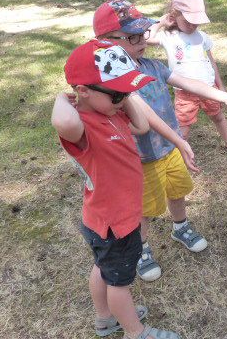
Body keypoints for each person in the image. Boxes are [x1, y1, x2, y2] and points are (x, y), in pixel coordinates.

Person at [93, 0, 227, 282]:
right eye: (131, 37)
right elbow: (140, 123)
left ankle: (180, 227)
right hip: (140, 159)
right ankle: (142, 249)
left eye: (142, 34)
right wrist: (179, 140)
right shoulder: (110, 84)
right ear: (106, 42)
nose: (142, 41)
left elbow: (188, 83)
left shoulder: (153, 67)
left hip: (168, 150)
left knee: (177, 190)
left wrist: (225, 96)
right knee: (145, 208)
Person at [51, 39, 181, 339]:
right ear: (82, 91)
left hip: (103, 218)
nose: (124, 98)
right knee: (119, 283)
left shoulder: (113, 111)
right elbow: (61, 119)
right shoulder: (82, 126)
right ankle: (136, 331)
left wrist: (123, 94)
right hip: (115, 224)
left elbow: (142, 126)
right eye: (117, 93)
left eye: (128, 91)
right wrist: (63, 97)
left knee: (103, 268)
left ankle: (105, 319)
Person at [148, 0, 227, 158]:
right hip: (185, 94)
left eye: (196, 22)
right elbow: (147, 38)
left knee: (218, 117)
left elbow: (211, 63)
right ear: (173, 17)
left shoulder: (203, 37)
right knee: (182, 128)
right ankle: (179, 154)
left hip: (208, 88)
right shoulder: (169, 37)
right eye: (187, 21)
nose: (192, 26)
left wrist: (220, 87)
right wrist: (162, 22)